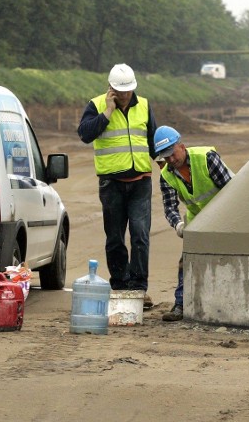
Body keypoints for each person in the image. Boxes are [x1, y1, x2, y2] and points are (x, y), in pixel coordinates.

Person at [78, 63, 157, 308]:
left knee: (140, 236)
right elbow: (85, 134)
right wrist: (107, 113)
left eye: (128, 91)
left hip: (141, 182)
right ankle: (120, 285)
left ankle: (139, 287)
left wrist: (166, 166)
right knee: (114, 238)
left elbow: (154, 140)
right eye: (120, 91)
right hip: (111, 184)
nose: (125, 95)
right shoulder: (96, 105)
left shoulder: (143, 105)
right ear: (110, 88)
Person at [154, 125, 232, 321]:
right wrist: (178, 225)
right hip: (198, 219)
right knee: (186, 261)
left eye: (173, 153)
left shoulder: (206, 158)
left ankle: (228, 303)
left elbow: (231, 191)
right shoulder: (166, 176)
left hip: (227, 215)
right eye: (166, 157)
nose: (171, 160)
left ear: (182, 145)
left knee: (227, 259)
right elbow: (170, 207)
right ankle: (180, 304)